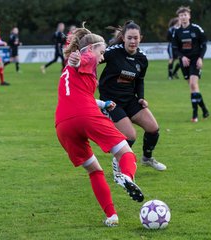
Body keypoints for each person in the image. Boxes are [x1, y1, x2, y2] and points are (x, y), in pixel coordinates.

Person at [56, 24, 144, 227]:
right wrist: (76, 58)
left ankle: (111, 216)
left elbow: (77, 94)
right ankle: (127, 177)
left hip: (63, 125)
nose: (103, 57)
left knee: (94, 170)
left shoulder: (66, 72)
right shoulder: (86, 57)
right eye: (101, 52)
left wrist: (103, 104)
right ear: (90, 49)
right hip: (85, 115)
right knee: (125, 152)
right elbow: (81, 59)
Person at [98, 21, 167, 175]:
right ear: (123, 38)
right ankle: (118, 163)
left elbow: (140, 80)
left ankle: (147, 158)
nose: (133, 41)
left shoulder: (142, 58)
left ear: (140, 38)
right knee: (130, 136)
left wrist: (141, 98)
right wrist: (90, 77)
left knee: (153, 128)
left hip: (130, 99)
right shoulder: (113, 51)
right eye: (129, 38)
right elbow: (94, 61)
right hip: (111, 102)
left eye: (136, 38)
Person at [172, 6, 209, 122]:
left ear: (189, 16)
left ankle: (195, 115)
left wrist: (200, 58)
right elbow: (175, 48)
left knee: (193, 84)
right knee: (193, 87)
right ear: (179, 17)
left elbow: (204, 45)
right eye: (181, 15)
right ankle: (204, 109)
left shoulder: (196, 29)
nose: (183, 17)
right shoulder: (177, 32)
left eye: (185, 15)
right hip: (185, 62)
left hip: (195, 61)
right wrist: (182, 57)